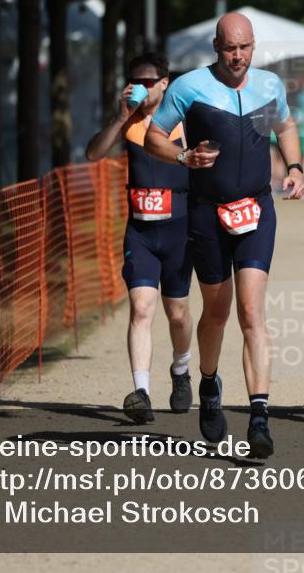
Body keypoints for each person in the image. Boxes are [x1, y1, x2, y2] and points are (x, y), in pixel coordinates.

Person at [145, 13, 304, 458]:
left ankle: (259, 416)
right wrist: (182, 158)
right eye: (230, 49)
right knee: (216, 312)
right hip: (206, 213)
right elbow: (154, 136)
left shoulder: (270, 85)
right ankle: (210, 382)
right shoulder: (188, 87)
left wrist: (294, 167)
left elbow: (286, 126)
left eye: (245, 48)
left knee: (252, 312)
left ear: (254, 47)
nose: (238, 57)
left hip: (256, 209)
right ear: (216, 47)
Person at [86, 53, 194, 424]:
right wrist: (119, 116)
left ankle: (181, 370)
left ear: (165, 83)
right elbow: (93, 153)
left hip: (180, 230)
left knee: (177, 314)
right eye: (135, 81)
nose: (141, 88)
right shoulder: (129, 124)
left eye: (149, 82)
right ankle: (142, 392)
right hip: (142, 231)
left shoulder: (185, 121)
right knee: (141, 308)